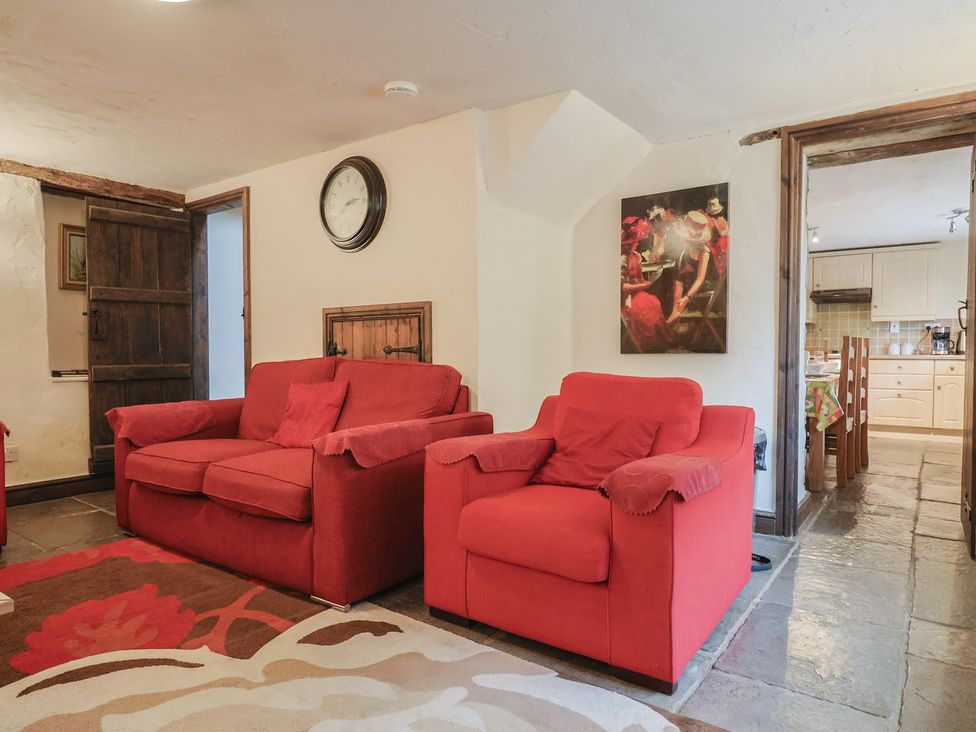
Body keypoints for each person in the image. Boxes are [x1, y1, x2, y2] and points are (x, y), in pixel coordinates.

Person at [668, 209, 717, 324]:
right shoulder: (686, 251)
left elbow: (701, 279)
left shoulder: (704, 251)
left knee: (682, 278)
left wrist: (686, 299)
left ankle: (678, 310)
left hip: (706, 286)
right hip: (690, 283)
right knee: (678, 276)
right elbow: (679, 278)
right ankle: (675, 311)